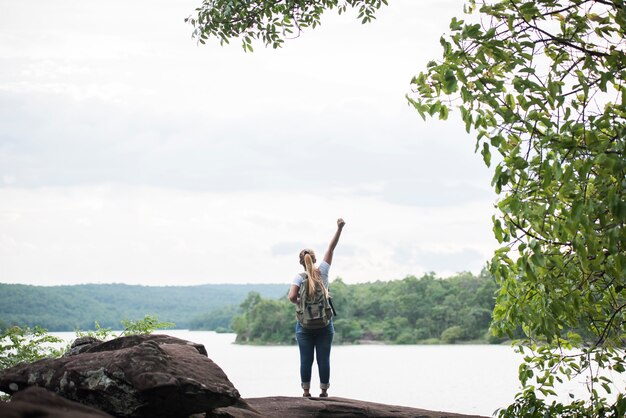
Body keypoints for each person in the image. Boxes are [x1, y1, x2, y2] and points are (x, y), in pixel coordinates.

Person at [288, 218, 346, 398]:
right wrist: (339, 228)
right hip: (324, 325)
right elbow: (331, 248)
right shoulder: (323, 272)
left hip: (304, 326)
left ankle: (306, 392)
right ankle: (324, 392)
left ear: (301, 262)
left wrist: (302, 304)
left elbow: (291, 297)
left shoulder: (299, 277)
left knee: (306, 359)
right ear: (314, 259)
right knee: (323, 359)